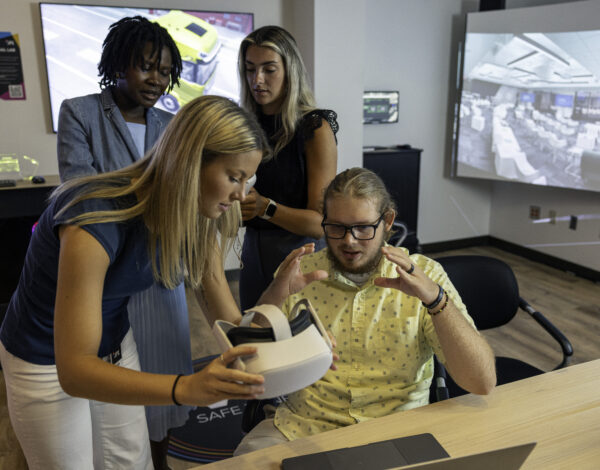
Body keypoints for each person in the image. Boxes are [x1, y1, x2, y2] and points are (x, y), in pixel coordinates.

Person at [0, 95, 270, 470]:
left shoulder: (197, 212)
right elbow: (74, 370)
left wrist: (282, 334)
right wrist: (185, 388)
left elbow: (222, 308)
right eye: (234, 177)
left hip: (113, 341)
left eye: (247, 179)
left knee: (132, 462)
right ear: (192, 162)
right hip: (43, 357)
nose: (243, 194)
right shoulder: (94, 218)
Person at [234, 167, 496, 454]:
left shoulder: (427, 275)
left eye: (362, 227)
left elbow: (481, 382)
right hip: (302, 428)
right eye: (336, 227)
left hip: (400, 430)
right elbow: (242, 368)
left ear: (387, 221)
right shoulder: (300, 273)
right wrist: (274, 295)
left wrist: (435, 300)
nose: (348, 241)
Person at [56, 16, 187, 468]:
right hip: (107, 276)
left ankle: (161, 460)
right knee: (117, 388)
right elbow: (81, 191)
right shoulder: (80, 112)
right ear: (118, 64)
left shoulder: (172, 125)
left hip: (161, 270)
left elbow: (182, 195)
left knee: (168, 383)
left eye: (165, 70)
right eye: (146, 66)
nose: (156, 79)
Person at [237, 25, 339, 310]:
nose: (257, 79)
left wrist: (263, 207)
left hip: (301, 254)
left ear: (290, 70)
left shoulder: (314, 128)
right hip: (252, 251)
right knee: (257, 338)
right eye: (250, 69)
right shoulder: (244, 125)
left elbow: (319, 224)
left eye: (269, 69)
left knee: (302, 344)